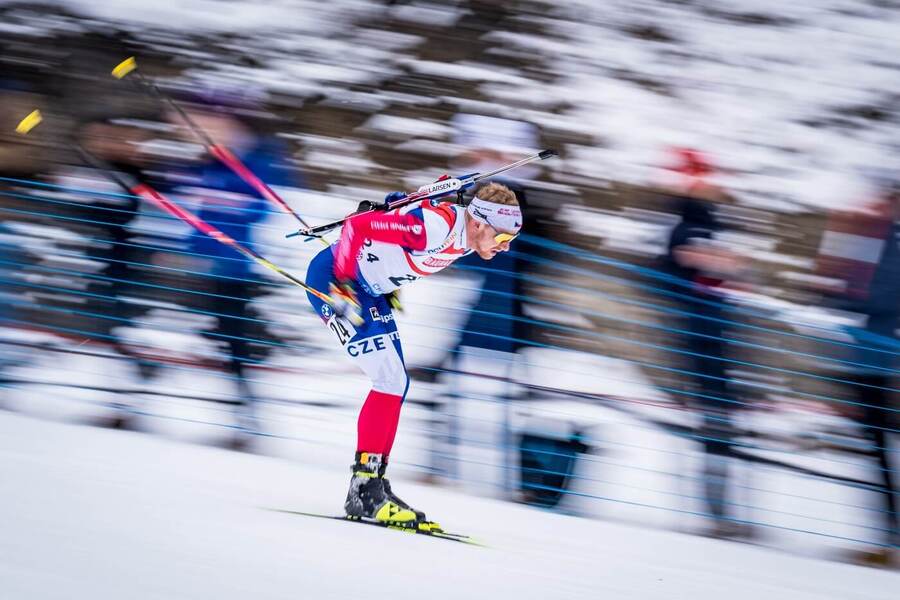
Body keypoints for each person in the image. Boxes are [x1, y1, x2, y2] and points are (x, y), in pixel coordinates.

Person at [304, 181, 521, 529]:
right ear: (479, 223)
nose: (505, 247)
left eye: (511, 239)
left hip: (371, 289)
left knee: (396, 383)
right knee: (389, 381)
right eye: (501, 238)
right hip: (336, 281)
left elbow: (403, 212)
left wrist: (412, 198)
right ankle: (364, 489)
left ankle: (371, 484)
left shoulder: (467, 233)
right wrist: (342, 284)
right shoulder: (434, 230)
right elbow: (356, 226)